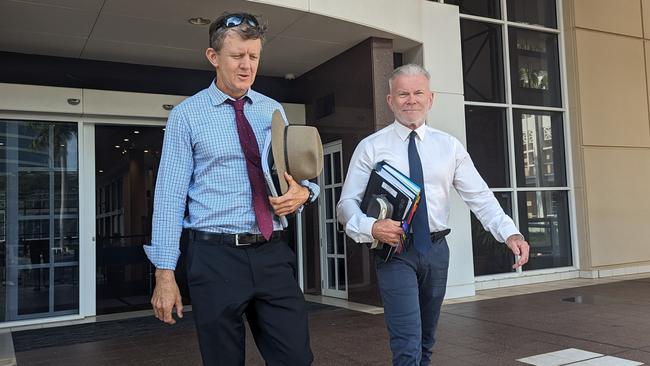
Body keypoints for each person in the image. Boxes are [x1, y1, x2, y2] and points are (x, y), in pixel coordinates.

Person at [144, 12, 317, 366]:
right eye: (237, 56)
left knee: (296, 358)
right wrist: (165, 274)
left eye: (253, 57)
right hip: (215, 257)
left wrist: (305, 193)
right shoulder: (187, 115)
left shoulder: (272, 110)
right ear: (213, 57)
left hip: (272, 252)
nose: (246, 65)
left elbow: (296, 174)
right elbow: (169, 196)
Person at [336, 63, 530, 366]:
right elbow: (346, 204)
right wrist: (371, 227)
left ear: (431, 98)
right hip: (395, 251)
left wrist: (510, 232)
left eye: (417, 93)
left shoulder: (449, 146)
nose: (410, 100)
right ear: (390, 100)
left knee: (426, 340)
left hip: (437, 251)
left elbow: (479, 196)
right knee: (407, 342)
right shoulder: (371, 147)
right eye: (402, 94)